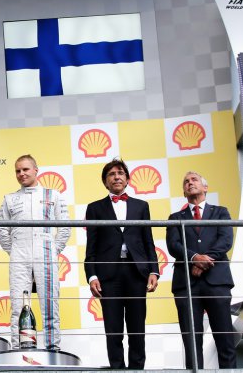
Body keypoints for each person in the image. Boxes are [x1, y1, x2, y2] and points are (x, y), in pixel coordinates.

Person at [84, 157, 159, 369]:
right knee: (113, 329)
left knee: (137, 328)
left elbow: (148, 241)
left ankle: (137, 370)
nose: (116, 177)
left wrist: (154, 271)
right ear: (105, 181)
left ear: (127, 179)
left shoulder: (141, 206)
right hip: (108, 276)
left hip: (137, 273)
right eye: (111, 174)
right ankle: (117, 370)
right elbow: (91, 246)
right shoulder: (94, 208)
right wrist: (92, 275)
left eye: (120, 173)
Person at [0, 154, 71, 350]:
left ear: (36, 170)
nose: (21, 174)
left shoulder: (53, 195)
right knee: (18, 307)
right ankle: (19, 350)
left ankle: (52, 348)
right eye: (18, 171)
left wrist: (52, 250)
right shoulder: (9, 198)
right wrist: (15, 251)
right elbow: (3, 231)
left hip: (45, 254)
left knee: (50, 305)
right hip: (19, 256)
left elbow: (65, 228)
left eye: (25, 169)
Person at [166, 171, 237, 369]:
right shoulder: (174, 217)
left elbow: (225, 240)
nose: (190, 183)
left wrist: (203, 261)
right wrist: (194, 258)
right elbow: (173, 245)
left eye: (194, 180)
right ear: (183, 192)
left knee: (225, 340)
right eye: (186, 182)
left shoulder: (221, 212)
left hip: (217, 282)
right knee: (192, 343)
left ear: (205, 187)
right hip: (186, 284)